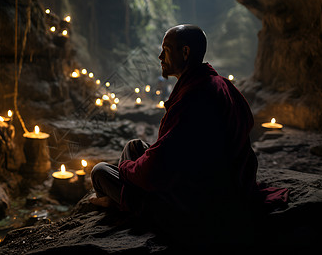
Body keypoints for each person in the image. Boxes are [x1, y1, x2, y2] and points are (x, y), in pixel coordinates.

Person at [90, 24, 271, 244]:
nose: (160, 56)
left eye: (165, 49)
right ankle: (128, 198)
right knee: (134, 146)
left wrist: (126, 171)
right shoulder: (219, 83)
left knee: (100, 171)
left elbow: (158, 165)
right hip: (206, 177)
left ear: (185, 52)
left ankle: (131, 205)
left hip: (198, 199)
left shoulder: (195, 96)